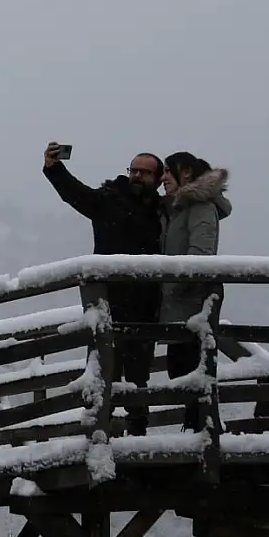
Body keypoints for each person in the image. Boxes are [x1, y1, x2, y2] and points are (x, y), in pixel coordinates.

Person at [41, 142, 164, 436]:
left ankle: (137, 434)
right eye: (133, 170)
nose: (136, 176)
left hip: (146, 306)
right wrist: (54, 168)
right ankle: (99, 436)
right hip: (108, 302)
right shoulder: (110, 200)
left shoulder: (163, 210)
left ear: (159, 179)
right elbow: (76, 194)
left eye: (144, 172)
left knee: (138, 376)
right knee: (103, 372)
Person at [158, 151, 232, 431]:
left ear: (185, 173)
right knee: (181, 373)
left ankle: (201, 433)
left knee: (190, 372)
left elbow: (200, 254)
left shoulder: (199, 206)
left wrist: (172, 287)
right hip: (179, 308)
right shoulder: (180, 208)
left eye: (168, 171)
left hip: (191, 307)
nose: (163, 177)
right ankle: (197, 430)